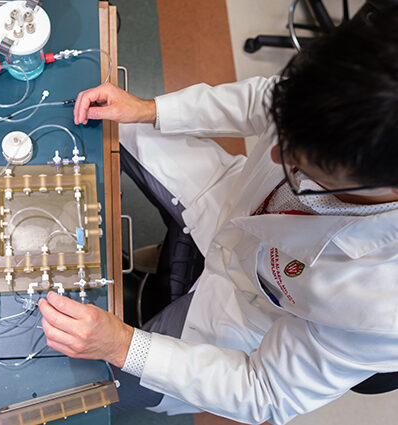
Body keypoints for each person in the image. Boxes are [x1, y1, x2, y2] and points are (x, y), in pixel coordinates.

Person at [38, 7, 398, 425]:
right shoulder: (360, 79)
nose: (276, 153)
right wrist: (149, 109)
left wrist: (122, 345)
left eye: (303, 165)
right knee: (101, 121)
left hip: (243, 315)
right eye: (284, 132)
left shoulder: (382, 301)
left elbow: (265, 391)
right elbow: (263, 99)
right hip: (226, 200)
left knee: (92, 384)